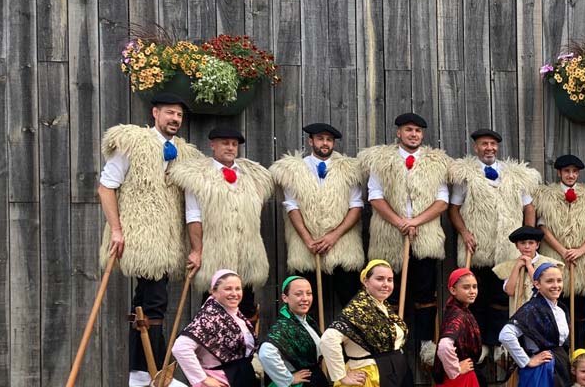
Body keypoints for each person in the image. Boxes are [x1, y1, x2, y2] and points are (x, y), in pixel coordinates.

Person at [97, 92, 201, 387]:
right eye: (170, 113)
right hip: (141, 237)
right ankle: (153, 372)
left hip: (167, 240)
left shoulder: (183, 153)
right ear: (155, 113)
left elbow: (192, 206)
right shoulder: (134, 143)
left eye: (179, 115)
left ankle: (141, 371)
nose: (175, 119)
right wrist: (117, 230)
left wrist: (195, 247)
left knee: (146, 300)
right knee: (154, 300)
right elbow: (106, 188)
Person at [360, 113, 451, 360]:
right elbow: (375, 196)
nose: (414, 135)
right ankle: (387, 339)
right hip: (390, 236)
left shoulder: (437, 162)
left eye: (418, 131)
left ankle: (425, 344)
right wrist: (400, 222)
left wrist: (415, 221)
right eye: (409, 130)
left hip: (425, 235)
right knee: (387, 289)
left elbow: (443, 200)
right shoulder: (381, 161)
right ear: (399, 132)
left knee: (425, 291)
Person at [448, 128, 539, 352]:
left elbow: (529, 207)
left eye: (492, 144)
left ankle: (498, 343)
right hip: (477, 246)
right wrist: (464, 232)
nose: (489, 148)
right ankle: (479, 346)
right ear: (475, 147)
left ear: (497, 147)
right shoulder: (465, 175)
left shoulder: (516, 175)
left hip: (507, 249)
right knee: (475, 296)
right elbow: (454, 209)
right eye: (484, 144)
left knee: (501, 298)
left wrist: (527, 237)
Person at [170, 126, 274, 320]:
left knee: (246, 306)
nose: (230, 148)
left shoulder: (253, 176)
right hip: (216, 251)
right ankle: (211, 348)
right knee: (213, 307)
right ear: (213, 145)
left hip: (247, 251)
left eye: (234, 144)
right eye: (225, 143)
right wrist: (196, 250)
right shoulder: (198, 176)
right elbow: (193, 216)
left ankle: (245, 348)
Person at [270, 122, 365, 317]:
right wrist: (308, 240)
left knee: (350, 297)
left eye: (329, 140)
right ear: (310, 141)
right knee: (306, 300)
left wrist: (333, 236)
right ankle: (310, 344)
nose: (325, 143)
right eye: (320, 139)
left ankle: (352, 344)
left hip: (342, 244)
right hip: (307, 245)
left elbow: (356, 206)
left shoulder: (349, 170)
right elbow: (291, 206)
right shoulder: (293, 170)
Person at [535, 154, 585, 348]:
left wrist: (580, 250)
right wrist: (562, 250)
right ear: (559, 172)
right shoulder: (545, 196)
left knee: (581, 308)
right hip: (556, 257)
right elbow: (543, 227)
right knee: (558, 304)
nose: (570, 175)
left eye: (574, 171)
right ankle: (561, 351)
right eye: (567, 171)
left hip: (582, 261)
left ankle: (579, 352)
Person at [493, 226, 561, 323]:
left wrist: (529, 266)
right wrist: (517, 267)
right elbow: (510, 291)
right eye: (523, 243)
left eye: (531, 243)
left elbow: (541, 288)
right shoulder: (510, 265)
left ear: (537, 245)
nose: (527, 246)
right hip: (518, 316)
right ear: (517, 246)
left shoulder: (547, 264)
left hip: (541, 317)